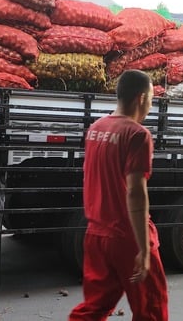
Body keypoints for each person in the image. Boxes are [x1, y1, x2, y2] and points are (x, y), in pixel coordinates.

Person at [69, 70, 168, 321]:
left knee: (95, 307)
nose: (150, 106)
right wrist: (143, 250)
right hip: (127, 236)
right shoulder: (137, 134)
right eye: (152, 99)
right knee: (151, 309)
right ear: (141, 97)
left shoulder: (96, 128)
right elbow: (135, 191)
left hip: (96, 234)